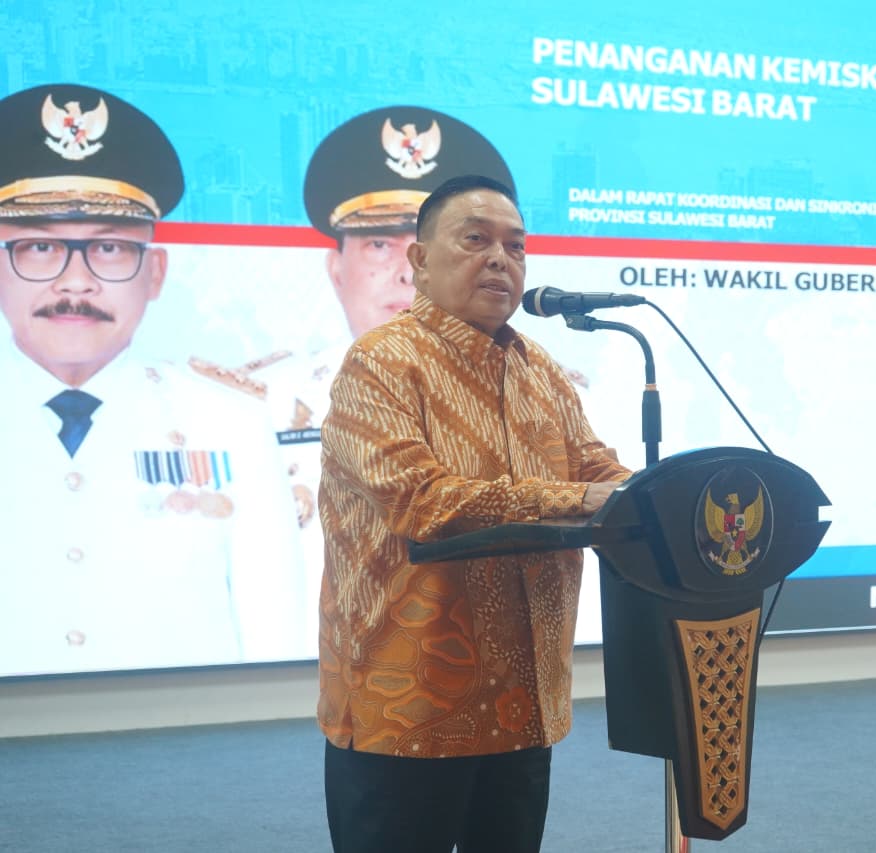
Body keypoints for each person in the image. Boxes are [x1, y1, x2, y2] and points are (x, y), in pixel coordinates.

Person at [318, 174, 630, 853]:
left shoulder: (539, 369)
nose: (500, 260)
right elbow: (421, 501)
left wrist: (661, 496)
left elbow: (595, 470)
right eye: (475, 240)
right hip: (410, 705)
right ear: (420, 261)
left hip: (523, 698)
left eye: (515, 247)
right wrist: (573, 499)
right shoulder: (381, 363)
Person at [0, 83, 307, 676]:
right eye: (38, 247)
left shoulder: (229, 422)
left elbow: (278, 643)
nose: (75, 283)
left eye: (110, 250)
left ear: (156, 272)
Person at [245, 106, 518, 646]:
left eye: (453, 245)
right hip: (363, 663)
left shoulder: (536, 381)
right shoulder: (257, 400)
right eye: (378, 244)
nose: (405, 273)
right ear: (335, 270)